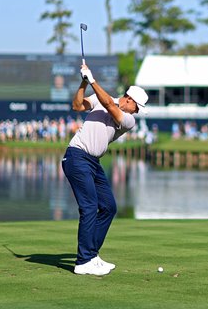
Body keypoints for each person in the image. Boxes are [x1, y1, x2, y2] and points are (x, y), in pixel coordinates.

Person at [61, 64, 148, 276]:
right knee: (90, 207)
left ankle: (91, 255)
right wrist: (83, 81)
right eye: (137, 107)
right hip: (77, 156)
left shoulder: (129, 120)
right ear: (129, 100)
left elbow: (109, 104)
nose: (137, 112)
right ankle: (83, 261)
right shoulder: (101, 98)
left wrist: (91, 79)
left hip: (93, 162)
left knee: (108, 207)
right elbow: (77, 105)